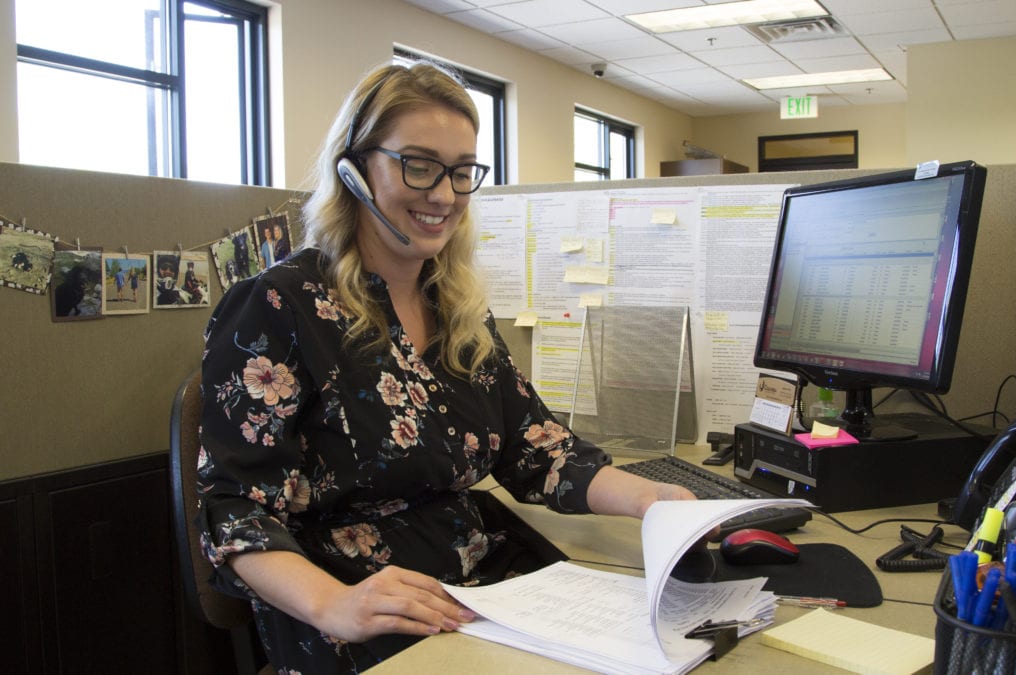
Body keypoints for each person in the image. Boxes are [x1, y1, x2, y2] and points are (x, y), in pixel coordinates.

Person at [197, 62, 697, 673]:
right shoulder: (278, 306)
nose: (444, 194)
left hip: (486, 585)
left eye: (462, 171)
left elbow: (535, 449)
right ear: (353, 171)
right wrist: (335, 605)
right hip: (355, 604)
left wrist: (654, 501)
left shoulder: (454, 307)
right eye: (419, 163)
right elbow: (236, 512)